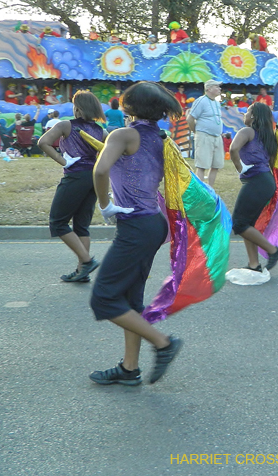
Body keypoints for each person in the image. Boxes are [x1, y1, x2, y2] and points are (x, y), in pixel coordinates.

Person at [88, 82, 184, 386]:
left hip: (138, 226)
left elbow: (100, 171)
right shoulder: (161, 137)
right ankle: (129, 369)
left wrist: (105, 205)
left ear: (128, 106)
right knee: (130, 299)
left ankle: (163, 343)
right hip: (152, 224)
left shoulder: (124, 134)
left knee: (103, 299)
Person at [39, 91, 106, 283]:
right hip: (93, 178)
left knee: (58, 222)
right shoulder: (101, 131)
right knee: (81, 226)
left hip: (75, 176)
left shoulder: (65, 125)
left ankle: (87, 262)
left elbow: (43, 142)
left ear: (77, 108)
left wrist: (64, 161)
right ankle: (81, 272)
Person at [229, 102, 278, 273]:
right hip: (265, 182)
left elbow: (233, 149)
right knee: (248, 224)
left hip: (257, 181)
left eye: (247, 111)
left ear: (253, 116)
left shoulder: (247, 131)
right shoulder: (267, 136)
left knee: (239, 224)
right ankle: (254, 264)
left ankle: (273, 251)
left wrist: (240, 168)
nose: (244, 114)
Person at [187, 79, 224, 187]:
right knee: (202, 165)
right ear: (209, 88)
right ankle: (201, 191)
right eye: (217, 86)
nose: (219, 89)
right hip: (204, 136)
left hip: (217, 137)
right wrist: (196, 132)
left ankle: (210, 189)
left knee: (216, 165)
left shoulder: (217, 103)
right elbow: (190, 118)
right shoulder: (201, 101)